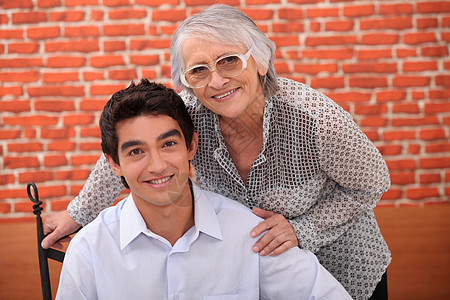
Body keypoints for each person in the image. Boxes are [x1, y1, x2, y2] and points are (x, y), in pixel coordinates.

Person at [44, 4, 391, 300]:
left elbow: (373, 183)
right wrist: (77, 216)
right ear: (187, 80)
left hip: (344, 265)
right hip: (253, 267)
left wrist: (304, 230)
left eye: (229, 61)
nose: (216, 81)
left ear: (260, 60)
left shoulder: (317, 121)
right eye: (199, 70)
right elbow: (128, 151)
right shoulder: (191, 114)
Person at [55, 79, 352, 299]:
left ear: (191, 146)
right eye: (136, 152)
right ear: (114, 164)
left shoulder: (250, 235)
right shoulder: (90, 250)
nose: (157, 165)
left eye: (168, 144)